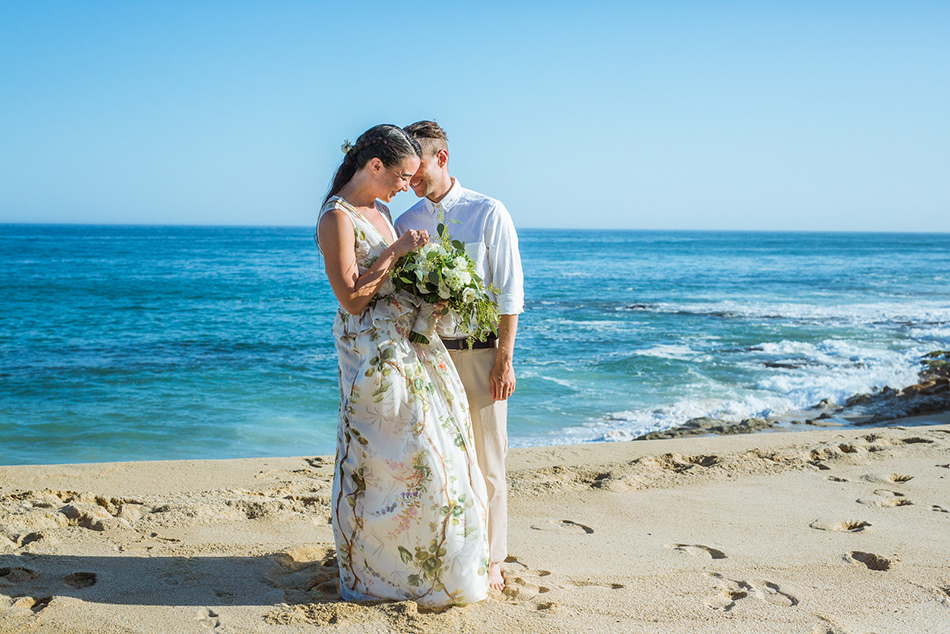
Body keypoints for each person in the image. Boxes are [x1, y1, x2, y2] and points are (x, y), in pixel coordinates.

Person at [315, 124, 489, 607]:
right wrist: (396, 251)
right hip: (371, 352)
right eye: (400, 175)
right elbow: (351, 299)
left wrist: (432, 291)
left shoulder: (384, 209)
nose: (404, 186)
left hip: (411, 341)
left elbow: (394, 281)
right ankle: (379, 574)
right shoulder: (337, 218)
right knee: (387, 457)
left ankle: (436, 568)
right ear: (375, 166)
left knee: (436, 452)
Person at [395, 121, 524, 592]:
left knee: (489, 461)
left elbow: (510, 294)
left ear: (441, 159)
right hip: (428, 358)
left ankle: (492, 560)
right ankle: (448, 549)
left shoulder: (489, 213)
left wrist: (504, 360)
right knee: (439, 460)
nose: (409, 178)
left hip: (479, 354)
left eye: (417, 167)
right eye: (405, 170)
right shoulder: (405, 222)